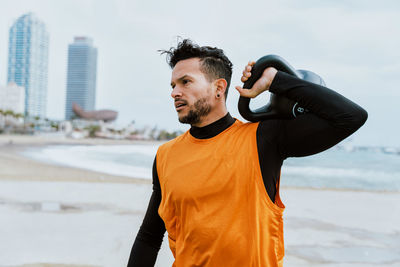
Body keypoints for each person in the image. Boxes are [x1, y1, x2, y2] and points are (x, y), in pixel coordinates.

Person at [127, 39, 368, 267]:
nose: (174, 93)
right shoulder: (166, 155)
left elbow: (350, 117)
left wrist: (275, 80)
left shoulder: (263, 139)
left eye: (185, 82)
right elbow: (150, 236)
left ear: (219, 88)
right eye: (173, 85)